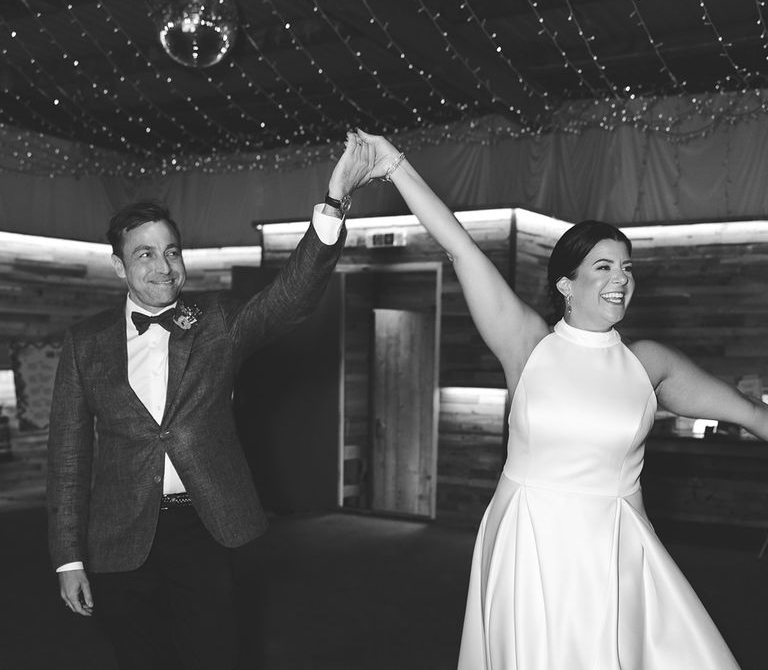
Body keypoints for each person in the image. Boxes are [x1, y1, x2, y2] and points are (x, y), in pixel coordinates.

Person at [355, 129, 768, 669]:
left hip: (614, 551)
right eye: (605, 267)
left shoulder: (649, 363)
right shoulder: (529, 345)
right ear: (567, 285)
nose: (622, 279)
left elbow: (752, 415)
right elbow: (459, 247)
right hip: (529, 542)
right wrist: (395, 166)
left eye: (627, 268)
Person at [46, 133, 375, 670]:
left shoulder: (217, 322)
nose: (163, 266)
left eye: (171, 251)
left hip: (204, 527)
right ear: (117, 267)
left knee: (216, 655)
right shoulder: (85, 343)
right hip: (118, 536)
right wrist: (68, 558)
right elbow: (67, 458)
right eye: (145, 254)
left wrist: (334, 203)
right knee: (139, 657)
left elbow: (291, 298)